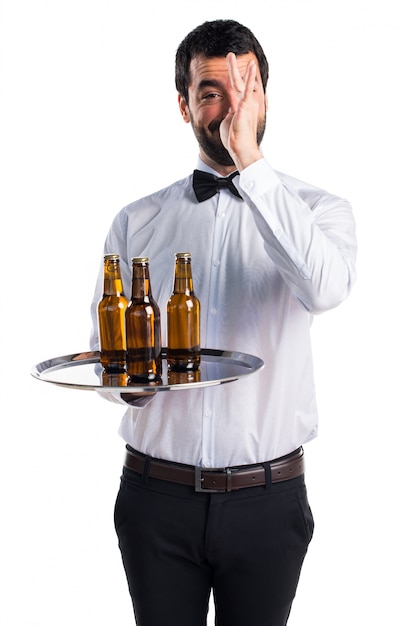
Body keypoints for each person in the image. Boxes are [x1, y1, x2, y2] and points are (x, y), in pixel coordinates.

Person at [90, 19, 357, 626]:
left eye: (248, 86)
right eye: (212, 91)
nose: (233, 106)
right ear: (184, 106)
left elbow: (325, 288)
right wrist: (126, 381)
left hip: (268, 500)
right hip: (155, 498)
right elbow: (105, 360)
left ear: (265, 94)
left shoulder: (319, 212)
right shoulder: (138, 220)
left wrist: (251, 164)